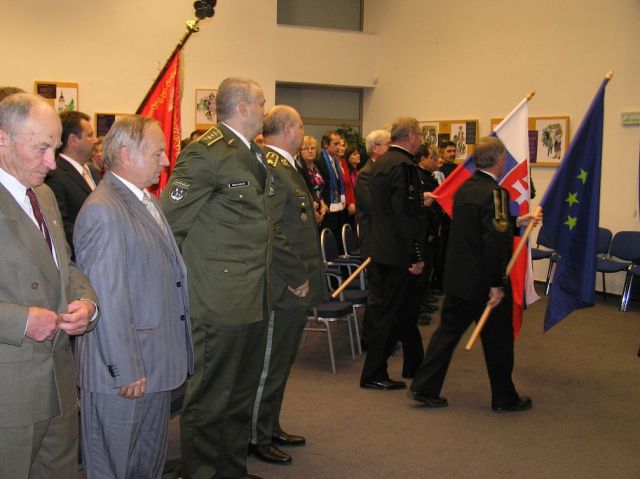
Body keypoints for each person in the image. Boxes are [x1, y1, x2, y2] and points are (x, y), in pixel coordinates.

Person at [161, 77, 271, 479]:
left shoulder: (252, 153)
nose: (265, 109)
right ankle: (202, 472)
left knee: (240, 394)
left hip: (253, 295)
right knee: (210, 398)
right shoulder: (205, 154)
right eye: (261, 102)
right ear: (242, 107)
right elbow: (169, 226)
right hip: (218, 298)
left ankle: (230, 470)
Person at [73, 115, 194, 478]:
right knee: (113, 468)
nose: (166, 161)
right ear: (126, 155)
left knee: (146, 466)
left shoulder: (145, 201)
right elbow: (107, 298)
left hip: (153, 365)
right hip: (123, 374)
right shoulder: (103, 209)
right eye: (158, 153)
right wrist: (126, 368)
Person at [0, 92, 98, 478]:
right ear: (3, 139)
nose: (51, 163)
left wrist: (87, 302)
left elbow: (65, 266)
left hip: (58, 380)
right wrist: (21, 321)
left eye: (54, 148)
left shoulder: (43, 194)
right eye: (40, 148)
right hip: (10, 390)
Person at [410, 136, 536, 412]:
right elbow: (494, 241)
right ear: (500, 160)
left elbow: (479, 227)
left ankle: (425, 386)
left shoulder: (465, 188)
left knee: (446, 334)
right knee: (499, 340)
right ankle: (504, 398)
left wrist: (516, 221)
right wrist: (497, 284)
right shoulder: (496, 193)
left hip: (458, 278)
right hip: (483, 282)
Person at [249, 105, 327, 465]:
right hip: (283, 284)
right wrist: (296, 275)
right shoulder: (271, 167)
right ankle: (255, 435)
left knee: (282, 362)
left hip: (293, 284)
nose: (303, 132)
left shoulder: (286, 166)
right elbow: (272, 229)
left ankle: (270, 425)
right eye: (301, 126)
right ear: (288, 130)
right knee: (270, 363)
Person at [360, 117, 425, 390]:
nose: (420, 141)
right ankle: (374, 373)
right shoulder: (403, 165)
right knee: (388, 315)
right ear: (411, 136)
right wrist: (415, 254)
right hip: (397, 252)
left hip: (382, 247)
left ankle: (415, 364)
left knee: (403, 311)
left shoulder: (383, 162)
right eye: (419, 135)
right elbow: (405, 214)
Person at [45, 110, 100, 259]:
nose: (95, 140)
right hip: (80, 258)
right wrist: (97, 243)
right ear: (73, 140)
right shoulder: (54, 175)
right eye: (90, 135)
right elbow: (60, 225)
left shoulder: (95, 172)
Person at [355, 129, 390, 350]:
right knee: (376, 293)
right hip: (373, 240)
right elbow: (373, 207)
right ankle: (370, 340)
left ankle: (382, 336)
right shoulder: (367, 174)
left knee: (385, 293)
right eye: (388, 144)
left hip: (384, 240)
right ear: (375, 148)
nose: (391, 149)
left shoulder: (382, 171)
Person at [415, 144, 444, 325]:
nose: (436, 161)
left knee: (428, 268)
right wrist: (430, 230)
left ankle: (423, 299)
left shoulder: (429, 176)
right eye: (433, 158)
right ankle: (417, 307)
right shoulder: (418, 176)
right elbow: (424, 209)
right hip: (424, 229)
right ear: (423, 159)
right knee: (421, 270)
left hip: (432, 227)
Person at [315, 131, 346, 241]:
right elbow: (319, 186)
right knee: (328, 242)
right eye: (335, 144)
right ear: (325, 144)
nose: (339, 147)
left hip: (337, 207)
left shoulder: (335, 160)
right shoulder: (319, 160)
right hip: (326, 208)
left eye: (340, 144)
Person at [298, 135, 328, 225]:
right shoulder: (299, 169)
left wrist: (324, 205)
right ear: (300, 151)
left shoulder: (318, 166)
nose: (310, 151)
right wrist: (313, 212)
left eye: (313, 148)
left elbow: (320, 190)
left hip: (321, 208)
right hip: (307, 210)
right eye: (306, 149)